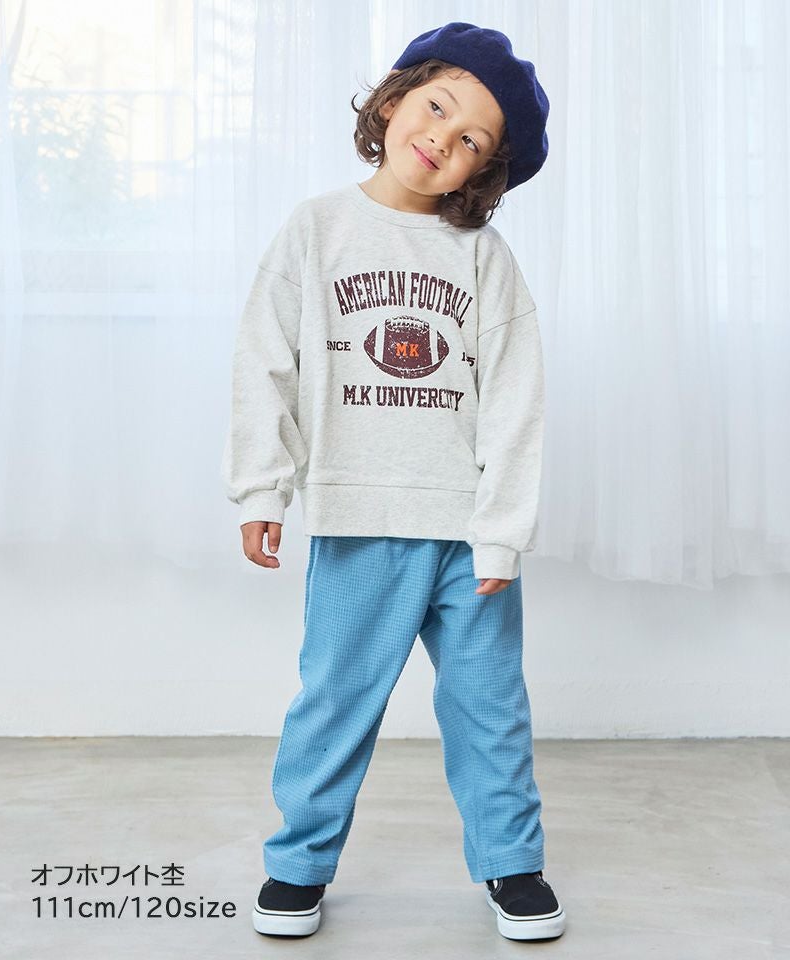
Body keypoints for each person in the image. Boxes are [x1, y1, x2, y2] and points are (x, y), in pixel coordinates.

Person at [221, 21, 566, 943]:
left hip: (467, 533)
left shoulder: (483, 257)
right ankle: (298, 865)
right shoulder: (317, 229)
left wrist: (503, 531)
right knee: (335, 701)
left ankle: (512, 862)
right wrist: (263, 488)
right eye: (437, 107)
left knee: (489, 708)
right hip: (358, 517)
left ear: (485, 171)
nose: (442, 139)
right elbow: (266, 362)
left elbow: (516, 399)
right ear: (396, 96)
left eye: (472, 141)